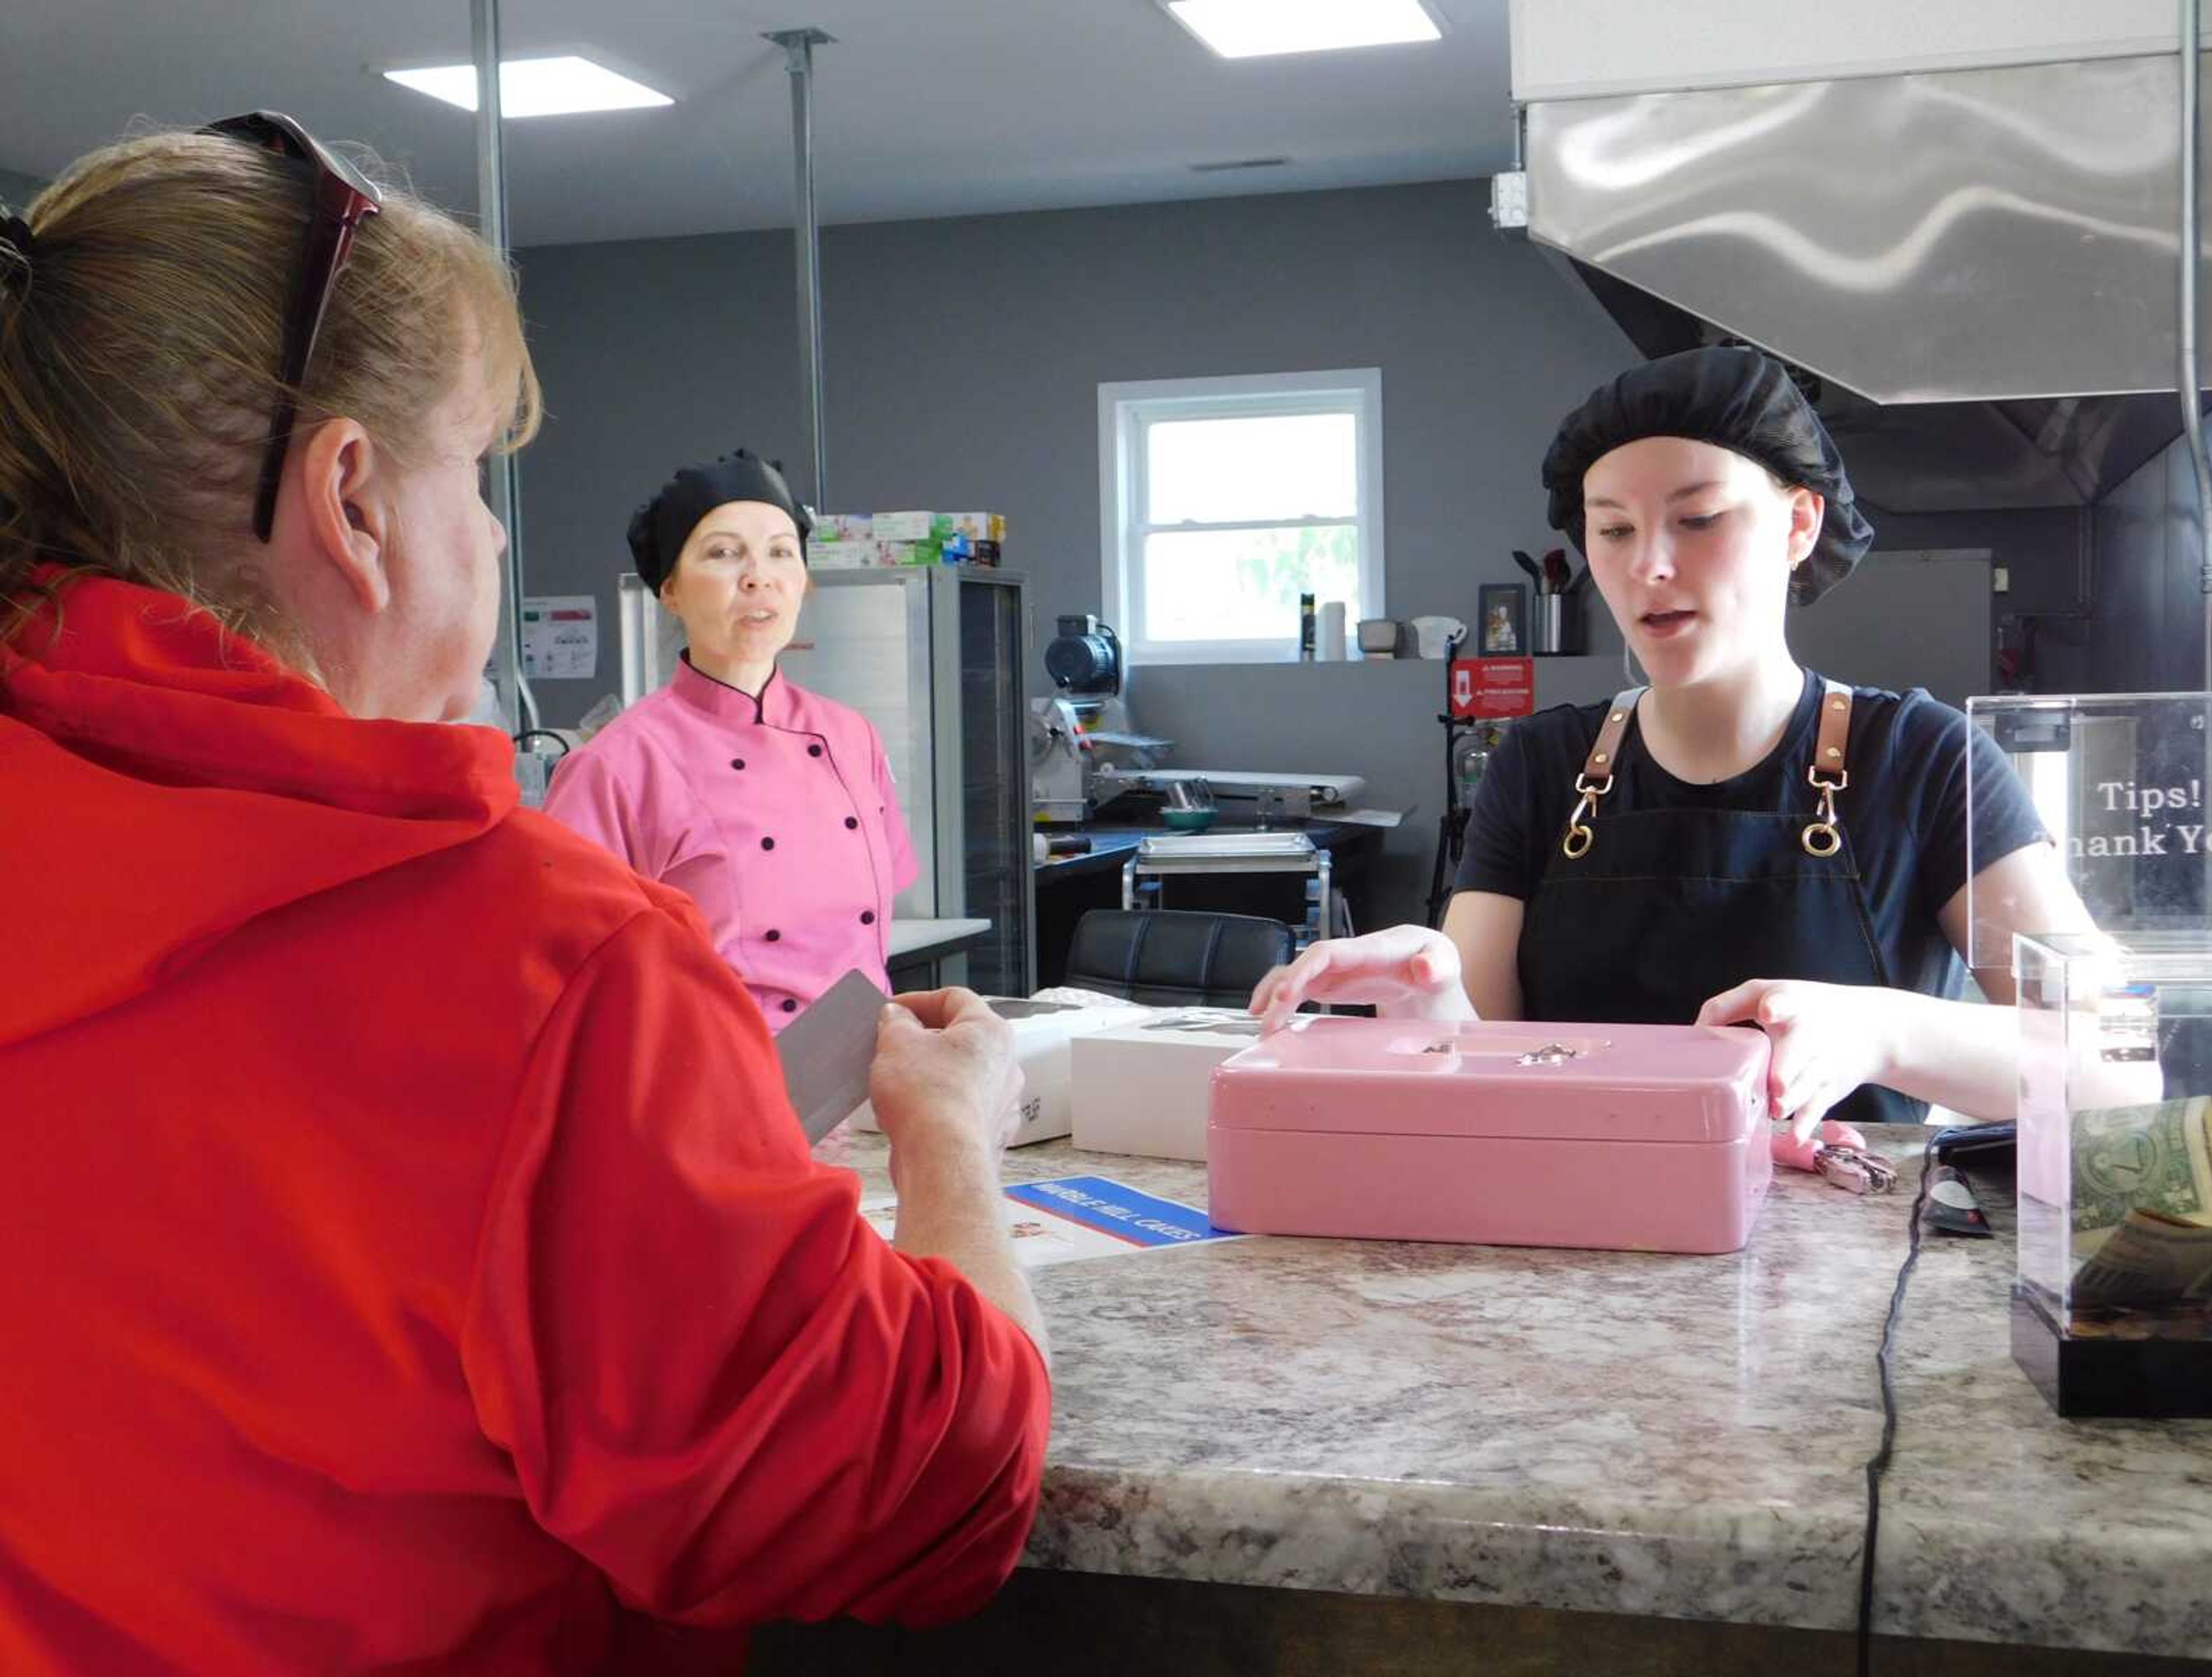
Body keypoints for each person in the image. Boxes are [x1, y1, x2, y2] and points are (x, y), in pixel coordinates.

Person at [0, 119, 1046, 1674]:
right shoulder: (545, 960)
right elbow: (921, 1482)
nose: (494, 533)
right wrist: (951, 1136)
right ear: (353, 502)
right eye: (477, 471)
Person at [1253, 345, 2102, 1134]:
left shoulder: (1924, 757)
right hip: (1573, 1241)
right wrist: (1427, 1002)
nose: (1648, 566)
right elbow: (1483, 1064)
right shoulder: (1542, 768)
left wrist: (1883, 1030)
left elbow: (2112, 1066)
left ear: (1799, 524)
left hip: (1834, 1256)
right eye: (1614, 530)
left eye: (1698, 520)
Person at [542, 452, 914, 1031]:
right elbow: (563, 973)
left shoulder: (851, 737)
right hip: (718, 1089)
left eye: (780, 552)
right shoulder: (615, 767)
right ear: (669, 589)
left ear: (803, 582)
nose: (757, 576)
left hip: (867, 1077)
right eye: (722, 553)